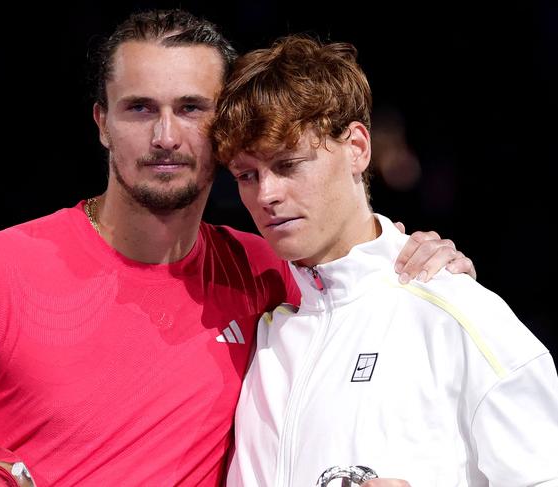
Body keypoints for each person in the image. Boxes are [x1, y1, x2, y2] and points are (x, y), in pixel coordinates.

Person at [0, 10, 476, 487]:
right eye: (139, 108)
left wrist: (423, 260)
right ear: (102, 123)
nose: (165, 136)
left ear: (226, 127)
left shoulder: (272, 277)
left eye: (190, 108)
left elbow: (364, 275)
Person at [210, 35, 558, 486]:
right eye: (246, 175)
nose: (266, 195)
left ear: (357, 147)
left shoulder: (455, 314)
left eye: (289, 164)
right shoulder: (266, 327)